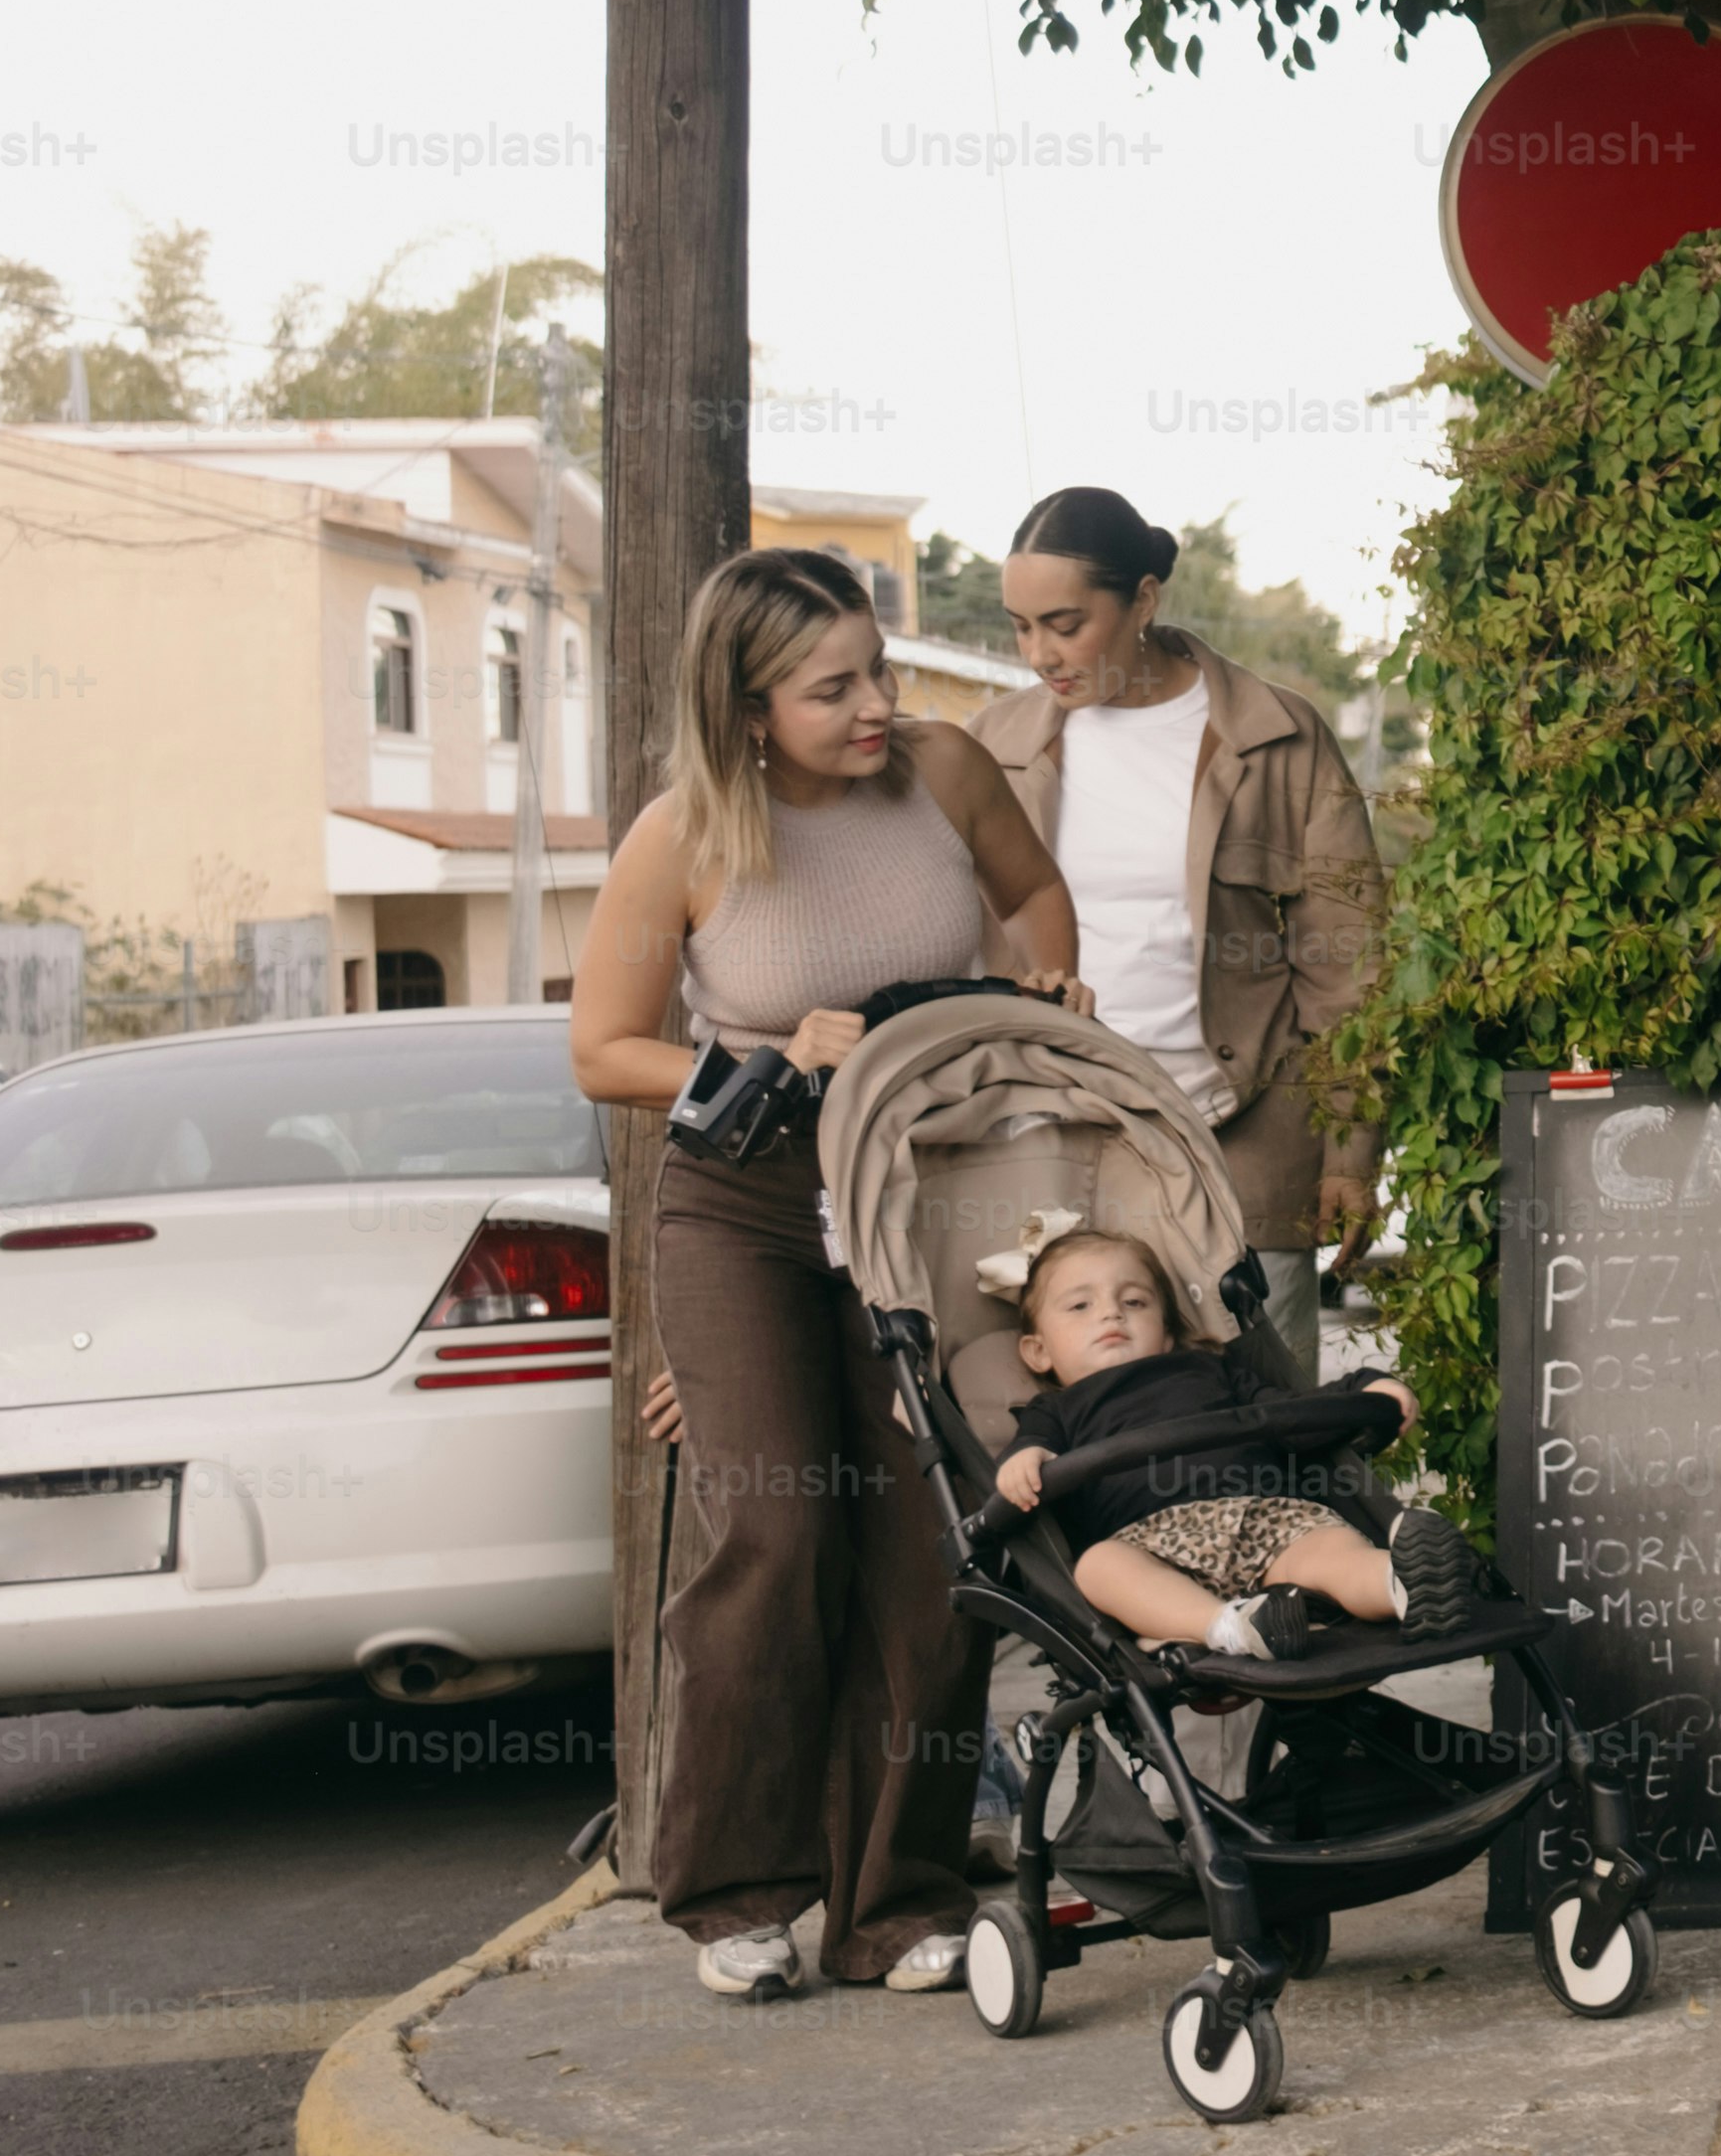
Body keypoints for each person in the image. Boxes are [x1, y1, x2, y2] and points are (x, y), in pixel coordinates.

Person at [573, 546, 1086, 2000]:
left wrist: (1040, 982)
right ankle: (734, 1888)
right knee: (778, 1538)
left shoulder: (940, 770)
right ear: (744, 709)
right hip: (745, 1207)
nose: (877, 704)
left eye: (878, 666)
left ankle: (894, 1900)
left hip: (921, 1188)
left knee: (933, 1550)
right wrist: (761, 1053)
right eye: (832, 686)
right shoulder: (680, 836)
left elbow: (1036, 898)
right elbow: (603, 1048)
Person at [974, 487, 1386, 1395]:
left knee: (1265, 1420)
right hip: (1055, 1142)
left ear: (1145, 601)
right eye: (1020, 628)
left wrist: (1353, 1151)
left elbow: (1347, 965)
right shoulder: (990, 747)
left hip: (1245, 1147)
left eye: (1065, 624)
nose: (1039, 653)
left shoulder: (1276, 737)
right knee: (1075, 1437)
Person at [982, 1220, 1466, 1656]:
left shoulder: (1211, 1369)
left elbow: (1289, 1413)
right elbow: (1027, 1456)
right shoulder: (1057, 1410)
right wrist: (1023, 1461)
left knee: (1330, 1548)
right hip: (1149, 1545)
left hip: (1262, 1515)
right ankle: (1230, 1626)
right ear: (1038, 1351)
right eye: (1080, 1305)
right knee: (1098, 1568)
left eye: (1134, 1301)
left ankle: (1404, 1583)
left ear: (1168, 1333)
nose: (1111, 1314)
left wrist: (1363, 1389)